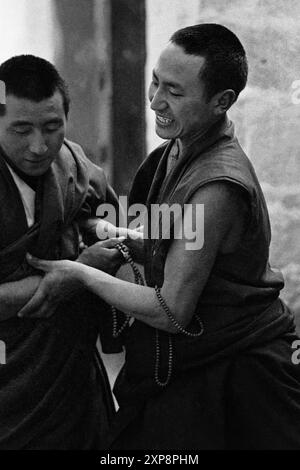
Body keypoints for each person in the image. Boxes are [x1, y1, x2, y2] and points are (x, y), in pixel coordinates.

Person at [20, 25, 300, 450]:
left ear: (221, 102)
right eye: (155, 81)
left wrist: (80, 274)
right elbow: (180, 242)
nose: (154, 101)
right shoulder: (180, 147)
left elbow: (171, 311)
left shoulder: (216, 188)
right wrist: (125, 237)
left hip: (233, 379)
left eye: (174, 91)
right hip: (188, 367)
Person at [0, 55, 124, 449]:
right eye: (21, 129)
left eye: (52, 127)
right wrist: (76, 272)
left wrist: (95, 230)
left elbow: (93, 215)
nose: (39, 146)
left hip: (68, 381)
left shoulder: (72, 163)